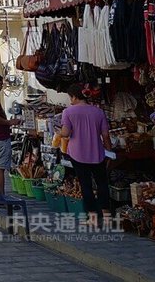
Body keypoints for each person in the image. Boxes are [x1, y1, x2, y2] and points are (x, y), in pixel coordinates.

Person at [59, 83, 112, 219]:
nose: (70, 100)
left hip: (77, 154)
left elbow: (66, 133)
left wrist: (58, 132)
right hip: (98, 154)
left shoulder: (68, 112)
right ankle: (106, 216)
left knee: (86, 185)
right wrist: (109, 152)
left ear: (75, 97)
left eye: (70, 97)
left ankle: (93, 217)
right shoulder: (98, 112)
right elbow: (105, 135)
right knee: (102, 184)